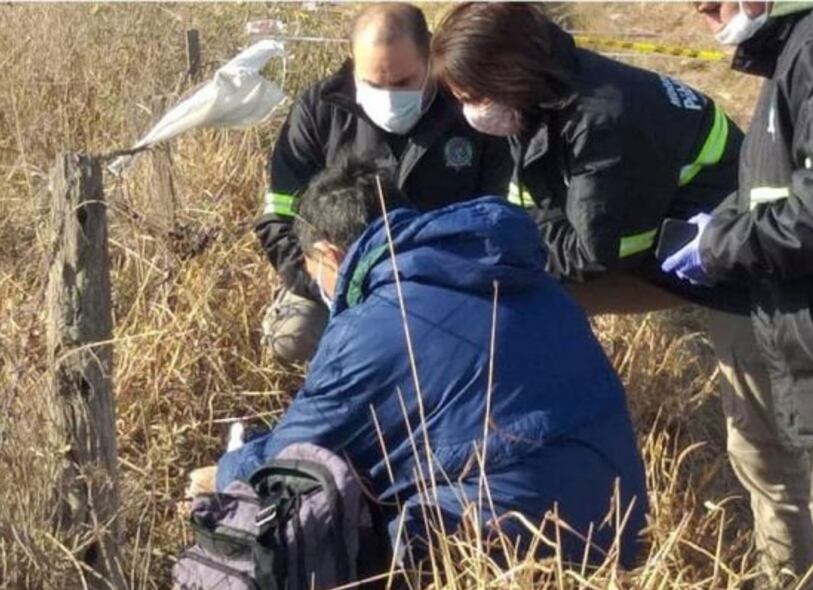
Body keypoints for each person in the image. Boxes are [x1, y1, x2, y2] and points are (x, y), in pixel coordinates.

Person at [429, 0, 813, 590]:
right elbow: (545, 216)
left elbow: (592, 251)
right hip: (661, 249)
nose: (467, 111)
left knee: (762, 445)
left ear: (505, 75)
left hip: (744, 273)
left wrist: (519, 235)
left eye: (469, 95)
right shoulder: (544, 96)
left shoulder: (604, 114)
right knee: (514, 287)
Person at [220, 156, 647, 566]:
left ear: (330, 255)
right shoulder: (529, 278)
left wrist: (228, 469)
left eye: (315, 274)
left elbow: (285, 463)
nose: (321, 288)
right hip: (623, 528)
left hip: (506, 547)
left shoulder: (371, 327)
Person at [665, 3, 813, 590]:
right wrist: (726, 223)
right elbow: (776, 189)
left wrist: (719, 247)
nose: (701, 9)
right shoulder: (805, 48)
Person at [256, 2, 511, 365]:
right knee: (292, 336)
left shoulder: (469, 109)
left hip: (449, 279)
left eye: (404, 82)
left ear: (430, 57)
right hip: (339, 279)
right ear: (353, 61)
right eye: (373, 82)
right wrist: (333, 282)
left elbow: (499, 216)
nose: (389, 95)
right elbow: (280, 218)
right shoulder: (318, 110)